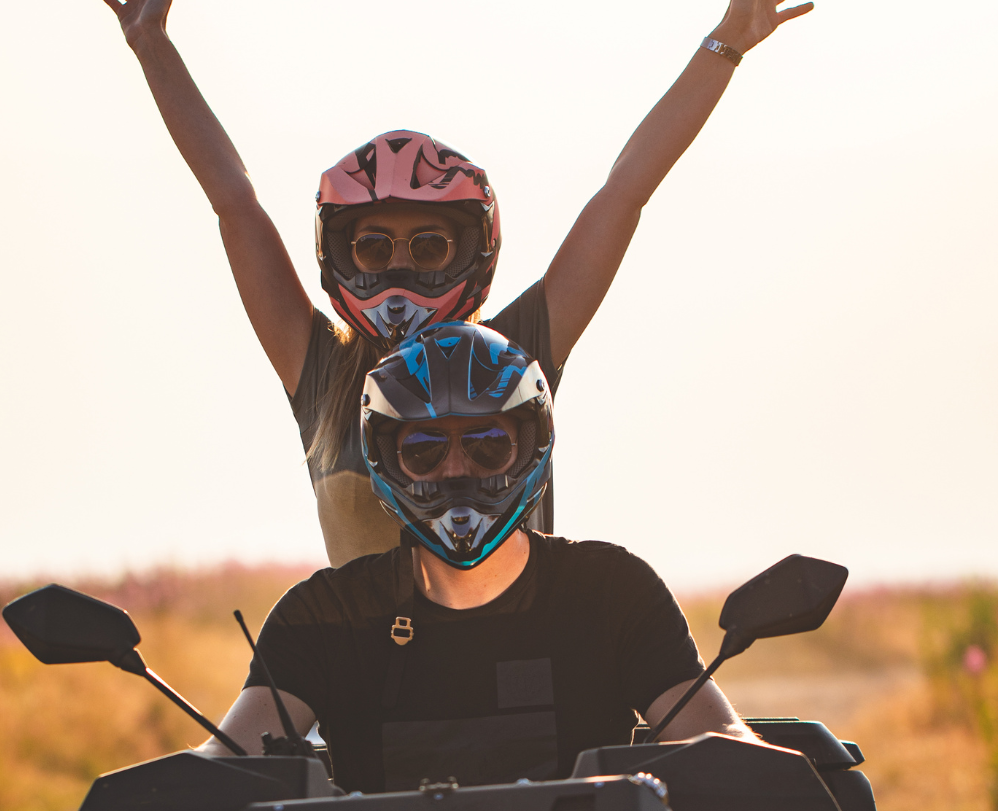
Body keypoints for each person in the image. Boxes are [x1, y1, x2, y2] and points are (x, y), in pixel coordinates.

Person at [148, 323, 754, 811]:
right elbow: (225, 764)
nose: (456, 470)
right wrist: (166, 793)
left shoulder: (610, 590)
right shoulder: (326, 614)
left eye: (487, 443)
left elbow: (724, 741)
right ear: (386, 459)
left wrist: (730, 763)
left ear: (532, 443)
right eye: (425, 449)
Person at [100, 0, 814, 566]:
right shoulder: (322, 372)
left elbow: (623, 193)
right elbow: (233, 201)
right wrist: (150, 43)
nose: (401, 267)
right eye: (374, 247)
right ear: (338, 254)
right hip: (370, 712)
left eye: (429, 244)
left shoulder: (516, 350)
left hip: (534, 693)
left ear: (474, 249)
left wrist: (726, 42)